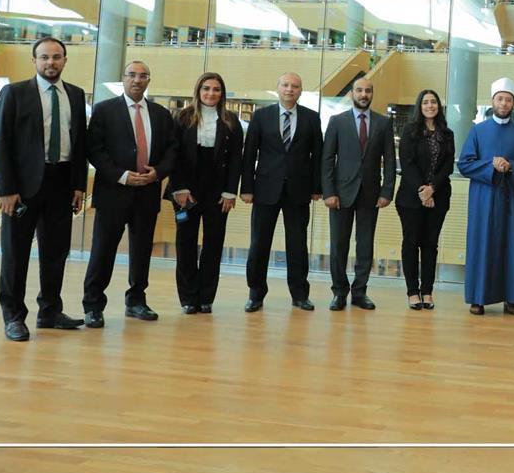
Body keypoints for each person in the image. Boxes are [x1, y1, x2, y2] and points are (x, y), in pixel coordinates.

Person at [0, 36, 88, 341]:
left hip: (61, 183)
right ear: (34, 60)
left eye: (56, 57)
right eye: (44, 57)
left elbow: (80, 144)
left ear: (65, 61)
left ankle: (50, 311)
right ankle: (13, 317)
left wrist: (78, 185)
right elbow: (1, 143)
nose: (51, 62)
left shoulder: (75, 95)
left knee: (56, 252)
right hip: (22, 188)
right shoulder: (14, 93)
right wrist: (6, 189)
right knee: (15, 253)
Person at [81, 60, 178, 327]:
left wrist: (158, 173)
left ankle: (136, 300)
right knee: (103, 250)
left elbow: (173, 150)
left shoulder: (161, 114)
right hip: (113, 192)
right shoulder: (104, 110)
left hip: (147, 192)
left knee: (142, 250)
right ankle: (93, 305)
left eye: (143, 75)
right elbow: (95, 150)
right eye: (132, 75)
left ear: (149, 81)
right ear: (123, 78)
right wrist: (121, 175)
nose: (137, 80)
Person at [241, 72, 322, 312]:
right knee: (259, 244)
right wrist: (246, 188)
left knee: (297, 245)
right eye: (285, 85)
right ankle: (255, 294)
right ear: (278, 88)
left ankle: (300, 294)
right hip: (265, 190)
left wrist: (317, 187)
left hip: (299, 191)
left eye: (295, 86)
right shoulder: (261, 116)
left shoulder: (311, 117)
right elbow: (249, 154)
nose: (290, 89)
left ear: (300, 91)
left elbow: (318, 156)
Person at [458, 78, 514, 315]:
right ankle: (478, 298)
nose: (504, 103)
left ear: (513, 104)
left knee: (512, 246)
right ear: (492, 101)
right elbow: (465, 164)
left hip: (512, 199)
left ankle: (511, 299)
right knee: (481, 245)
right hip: (483, 199)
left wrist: (511, 166)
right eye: (500, 99)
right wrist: (491, 165)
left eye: (508, 100)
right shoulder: (477, 131)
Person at [166, 72, 243, 314]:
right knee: (185, 242)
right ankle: (188, 298)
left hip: (218, 192)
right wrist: (179, 188)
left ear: (222, 93)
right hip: (186, 190)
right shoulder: (182, 117)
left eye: (216, 89)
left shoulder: (231, 120)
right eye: (206, 88)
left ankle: (206, 296)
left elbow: (236, 159)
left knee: (214, 243)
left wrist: (230, 192)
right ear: (198, 91)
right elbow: (173, 155)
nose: (211, 93)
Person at [321, 74, 395, 311]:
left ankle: (360, 292)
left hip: (371, 194)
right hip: (340, 194)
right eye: (360, 90)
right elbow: (327, 159)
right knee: (338, 245)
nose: (364, 94)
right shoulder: (337, 121)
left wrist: (387, 191)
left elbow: (390, 161)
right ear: (352, 93)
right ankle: (339, 292)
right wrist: (328, 192)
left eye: (368, 91)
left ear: (372, 94)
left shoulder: (383, 123)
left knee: (365, 245)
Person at [395, 89, 455, 311]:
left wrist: (432, 189)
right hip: (410, 198)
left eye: (434, 102)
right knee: (411, 243)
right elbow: (407, 163)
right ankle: (413, 292)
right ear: (419, 106)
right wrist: (422, 191)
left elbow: (448, 166)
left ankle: (427, 291)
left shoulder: (447, 134)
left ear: (439, 106)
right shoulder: (410, 130)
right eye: (426, 102)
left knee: (430, 245)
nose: (430, 106)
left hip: (439, 197)